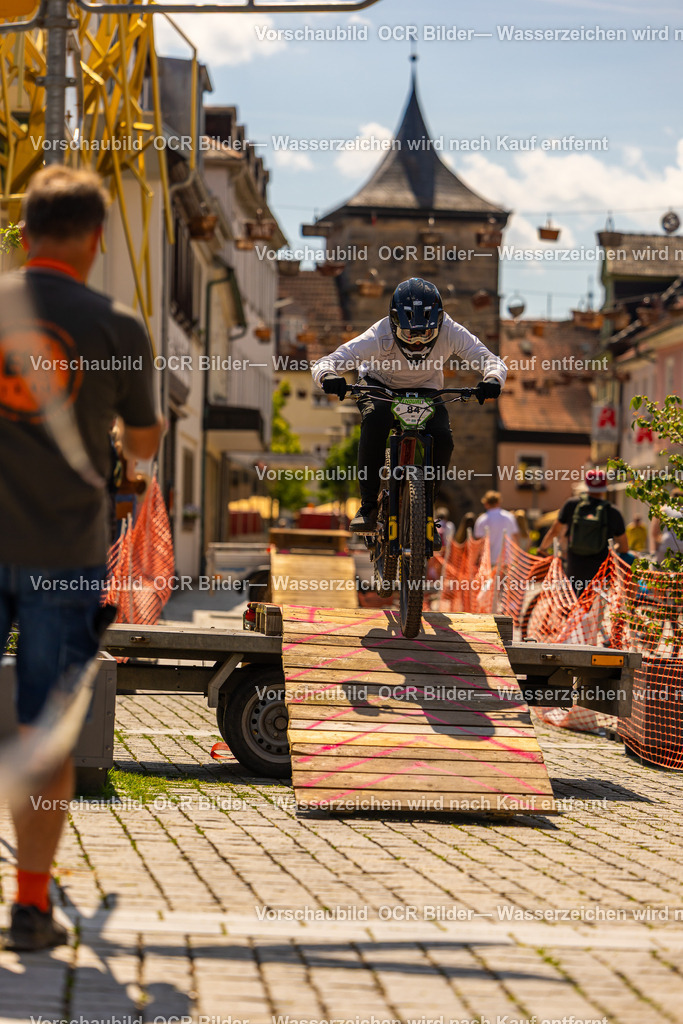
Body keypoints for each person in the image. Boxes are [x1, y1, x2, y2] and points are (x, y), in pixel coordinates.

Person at [0, 166, 164, 951]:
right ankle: (32, 909)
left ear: (25, 231)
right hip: (63, 555)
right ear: (98, 239)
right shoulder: (116, 327)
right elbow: (145, 440)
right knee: (43, 733)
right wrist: (123, 451)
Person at [311, 278, 506, 534]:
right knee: (375, 421)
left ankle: (426, 511)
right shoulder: (378, 334)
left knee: (443, 439)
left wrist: (492, 379)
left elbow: (491, 361)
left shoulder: (451, 330)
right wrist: (328, 376)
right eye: (409, 333)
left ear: (439, 323)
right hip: (380, 385)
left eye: (426, 334)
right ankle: (368, 506)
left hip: (426, 388)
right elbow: (328, 361)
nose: (417, 342)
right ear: (394, 324)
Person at [538, 469, 628, 595]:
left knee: (573, 600)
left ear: (586, 484)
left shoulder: (571, 505)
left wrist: (542, 548)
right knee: (596, 603)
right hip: (601, 572)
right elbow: (624, 547)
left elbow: (554, 531)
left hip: (575, 568)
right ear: (605, 486)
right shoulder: (613, 511)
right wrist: (610, 550)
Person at [473, 491, 519, 565]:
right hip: (507, 558)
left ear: (486, 504)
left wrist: (477, 559)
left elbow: (479, 542)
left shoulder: (482, 520)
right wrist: (516, 556)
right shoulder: (509, 517)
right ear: (498, 502)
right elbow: (515, 537)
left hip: (488, 559)